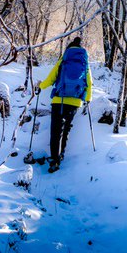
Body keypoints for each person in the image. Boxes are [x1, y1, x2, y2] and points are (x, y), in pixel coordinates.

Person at [36, 38, 92, 172]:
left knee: (56, 131)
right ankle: (61, 156)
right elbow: (89, 82)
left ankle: (54, 160)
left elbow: (51, 78)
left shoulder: (64, 58)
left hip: (59, 101)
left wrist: (40, 86)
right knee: (66, 129)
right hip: (75, 102)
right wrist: (87, 99)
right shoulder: (84, 62)